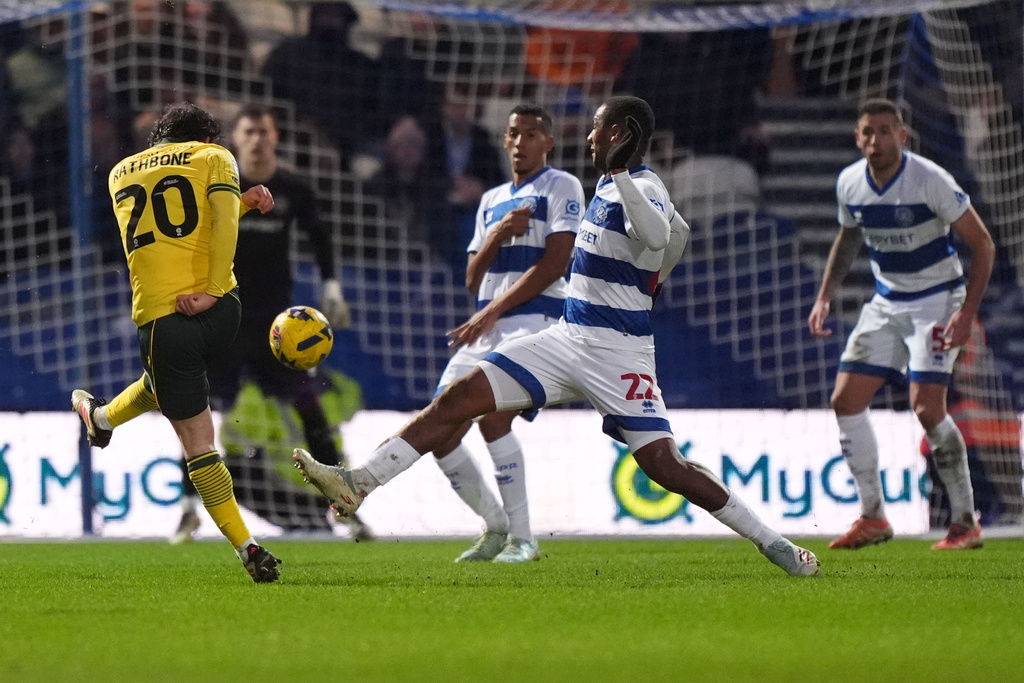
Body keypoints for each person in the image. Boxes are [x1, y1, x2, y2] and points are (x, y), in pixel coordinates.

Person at [294, 95, 821, 577]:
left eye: (596, 131)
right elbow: (676, 238)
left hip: (618, 353)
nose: (588, 140)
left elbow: (663, 234)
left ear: (620, 133)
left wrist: (649, 252)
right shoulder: (608, 186)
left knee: (666, 467)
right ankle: (359, 482)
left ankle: (774, 543)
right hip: (565, 337)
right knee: (461, 398)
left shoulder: (645, 184)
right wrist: (657, 272)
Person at [72, 102, 282, 583]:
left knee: (198, 444)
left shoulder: (120, 173)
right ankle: (100, 418)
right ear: (206, 138)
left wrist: (238, 203)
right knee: (164, 384)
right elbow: (218, 222)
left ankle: (247, 547)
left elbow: (171, 227)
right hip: (223, 311)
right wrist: (212, 289)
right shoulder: (215, 158)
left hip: (164, 322)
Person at [169, 103, 371, 543]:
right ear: (236, 139)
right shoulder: (219, 184)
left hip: (275, 328)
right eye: (249, 131)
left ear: (275, 136)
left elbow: (319, 236)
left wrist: (331, 286)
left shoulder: (293, 188)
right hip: (225, 317)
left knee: (311, 410)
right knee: (199, 414)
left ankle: (344, 508)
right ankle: (187, 511)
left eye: (264, 131)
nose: (257, 139)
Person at [808, 98, 996, 551]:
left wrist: (966, 313)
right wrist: (826, 294)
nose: (876, 140)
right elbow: (849, 235)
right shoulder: (850, 183)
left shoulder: (929, 180)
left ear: (902, 136)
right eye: (868, 132)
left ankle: (965, 520)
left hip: (936, 301)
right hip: (887, 301)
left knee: (927, 408)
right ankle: (873, 516)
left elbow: (983, 244)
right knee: (845, 400)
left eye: (886, 131)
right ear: (858, 138)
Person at [425, 103, 584, 563]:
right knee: (440, 429)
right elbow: (472, 279)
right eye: (514, 133)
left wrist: (494, 309)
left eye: (532, 134)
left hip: (535, 321)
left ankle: (524, 538)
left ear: (547, 142)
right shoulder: (491, 199)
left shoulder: (561, 185)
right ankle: (496, 528)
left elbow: (557, 263)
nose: (521, 141)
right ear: (505, 140)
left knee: (493, 418)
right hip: (484, 329)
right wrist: (496, 235)